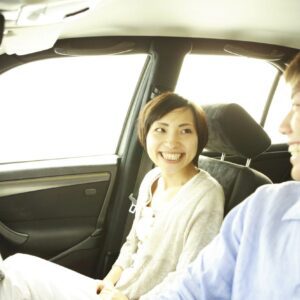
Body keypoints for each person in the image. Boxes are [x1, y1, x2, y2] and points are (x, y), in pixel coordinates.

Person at [0, 92, 225, 300]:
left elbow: (191, 275)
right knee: (17, 267)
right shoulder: (152, 178)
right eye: (161, 129)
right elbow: (132, 244)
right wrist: (108, 283)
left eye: (185, 130)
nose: (172, 142)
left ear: (200, 138)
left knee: (17, 281)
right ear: (145, 134)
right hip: (117, 292)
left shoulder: (207, 194)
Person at [149, 52, 300, 299]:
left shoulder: (208, 192)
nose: (283, 126)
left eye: (297, 106)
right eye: (160, 130)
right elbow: (191, 289)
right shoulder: (262, 207)